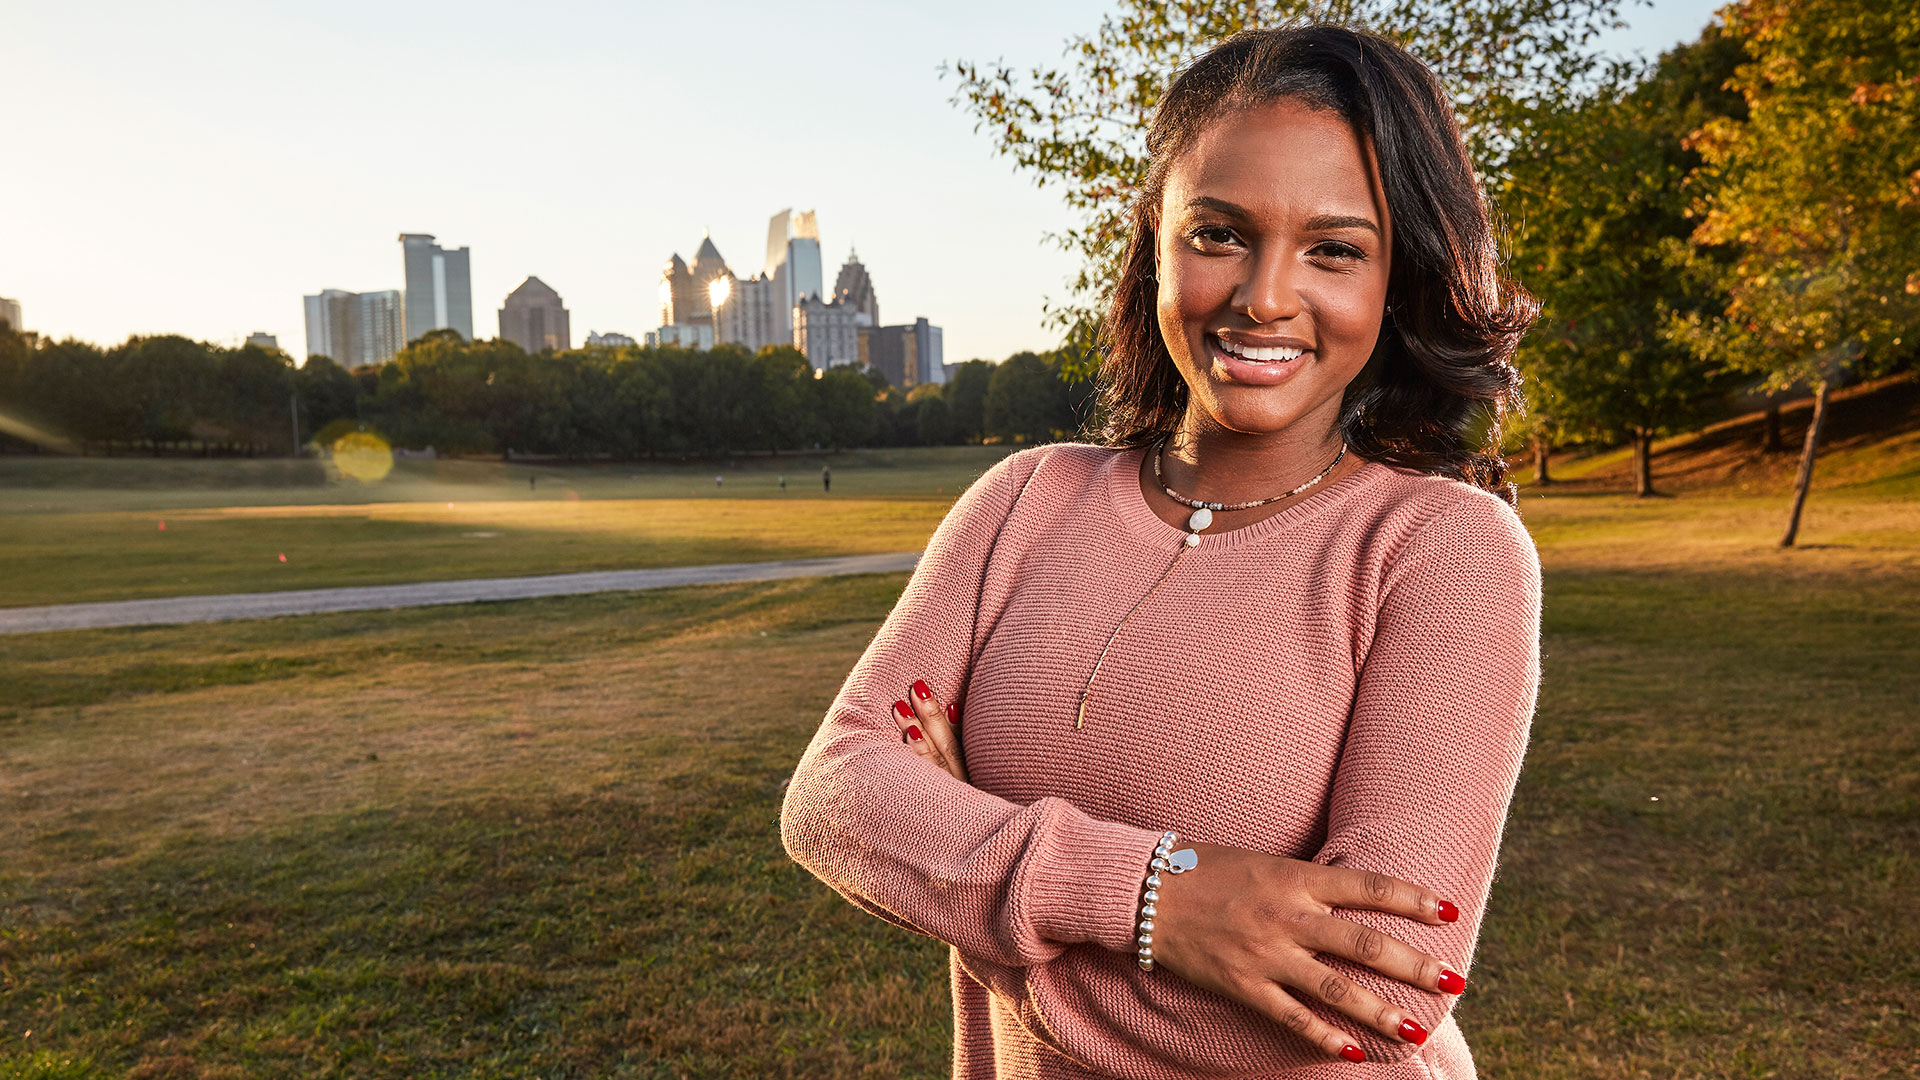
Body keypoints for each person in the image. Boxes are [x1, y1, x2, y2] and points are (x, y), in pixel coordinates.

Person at [781, 24, 1541, 1080]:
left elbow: (1378, 998)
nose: (1264, 296)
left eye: (1335, 249)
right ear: (1154, 240)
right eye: (1220, 233)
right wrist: (1162, 904)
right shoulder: (1022, 501)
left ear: (1396, 277)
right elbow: (835, 797)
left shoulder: (1442, 549)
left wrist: (978, 895)